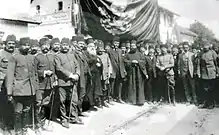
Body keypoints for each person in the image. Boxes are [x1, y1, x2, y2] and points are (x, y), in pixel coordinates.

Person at [6, 37, 39, 135]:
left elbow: (34, 75)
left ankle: (24, 129)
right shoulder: (14, 57)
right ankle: (18, 130)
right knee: (18, 112)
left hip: (30, 89)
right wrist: (9, 92)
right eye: (24, 45)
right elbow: (10, 75)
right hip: (18, 90)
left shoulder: (31, 57)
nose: (27, 47)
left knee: (26, 111)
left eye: (28, 45)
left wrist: (36, 90)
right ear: (19, 46)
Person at [54, 37, 82, 128]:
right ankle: (64, 119)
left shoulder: (71, 55)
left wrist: (77, 74)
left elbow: (77, 65)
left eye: (67, 45)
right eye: (63, 45)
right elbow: (59, 68)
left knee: (74, 100)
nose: (65, 47)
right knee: (62, 101)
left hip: (72, 82)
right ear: (61, 46)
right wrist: (70, 75)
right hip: (63, 82)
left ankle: (73, 117)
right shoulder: (57, 56)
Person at [34, 37, 57, 131]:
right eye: (44, 45)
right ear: (40, 46)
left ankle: (43, 123)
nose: (46, 47)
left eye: (47, 45)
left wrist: (55, 79)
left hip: (50, 84)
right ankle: (37, 125)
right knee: (38, 104)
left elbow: (54, 69)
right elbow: (34, 71)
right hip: (40, 85)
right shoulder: (37, 57)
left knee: (46, 103)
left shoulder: (52, 56)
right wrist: (43, 73)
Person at [0, 35, 16, 131]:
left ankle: (12, 124)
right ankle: (4, 125)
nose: (11, 45)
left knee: (14, 105)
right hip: (3, 84)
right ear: (5, 44)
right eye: (9, 43)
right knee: (4, 105)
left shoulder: (17, 53)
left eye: (13, 44)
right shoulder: (1, 54)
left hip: (16, 84)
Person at [124, 40, 148, 105]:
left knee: (139, 86)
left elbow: (144, 61)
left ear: (136, 46)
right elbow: (125, 61)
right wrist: (131, 62)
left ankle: (140, 101)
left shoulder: (140, 54)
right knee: (132, 86)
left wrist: (138, 62)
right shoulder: (128, 54)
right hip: (131, 73)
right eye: (131, 46)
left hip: (139, 73)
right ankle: (132, 100)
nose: (132, 47)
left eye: (133, 46)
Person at [72, 35, 90, 115]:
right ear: (76, 44)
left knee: (82, 94)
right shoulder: (74, 53)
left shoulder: (83, 52)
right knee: (79, 93)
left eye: (83, 44)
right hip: (79, 76)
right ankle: (76, 112)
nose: (82, 45)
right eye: (80, 44)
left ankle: (79, 110)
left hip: (85, 76)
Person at [197, 42, 219, 109]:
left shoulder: (213, 53)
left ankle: (212, 103)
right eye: (204, 47)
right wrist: (199, 73)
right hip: (204, 74)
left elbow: (216, 64)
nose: (205, 48)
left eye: (206, 46)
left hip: (212, 73)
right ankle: (205, 103)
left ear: (209, 46)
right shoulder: (201, 53)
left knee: (212, 89)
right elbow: (198, 64)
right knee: (205, 89)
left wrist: (217, 72)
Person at [85, 38, 103, 109]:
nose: (92, 48)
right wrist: (95, 61)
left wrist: (100, 64)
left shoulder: (96, 55)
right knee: (89, 91)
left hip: (97, 75)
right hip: (90, 75)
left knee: (97, 90)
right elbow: (88, 62)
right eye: (90, 46)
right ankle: (90, 104)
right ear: (87, 47)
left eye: (93, 46)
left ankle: (97, 102)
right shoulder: (86, 54)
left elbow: (100, 63)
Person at [107, 36, 126, 103]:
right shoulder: (109, 51)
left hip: (120, 70)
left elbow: (122, 61)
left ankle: (119, 97)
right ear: (113, 43)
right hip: (113, 69)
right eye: (115, 43)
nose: (116, 44)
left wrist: (123, 70)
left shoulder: (120, 51)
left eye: (117, 43)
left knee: (120, 84)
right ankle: (110, 97)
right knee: (112, 84)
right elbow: (108, 61)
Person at [96, 40, 113, 107]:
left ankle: (104, 100)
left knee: (105, 88)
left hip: (105, 75)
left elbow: (109, 64)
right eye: (99, 49)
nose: (100, 50)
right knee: (98, 89)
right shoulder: (95, 56)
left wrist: (109, 72)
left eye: (101, 49)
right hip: (98, 76)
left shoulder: (106, 55)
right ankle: (98, 102)